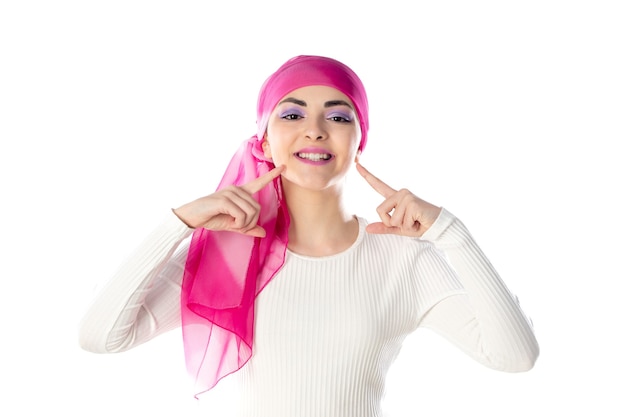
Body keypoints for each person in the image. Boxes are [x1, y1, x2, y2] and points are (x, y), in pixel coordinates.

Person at [78, 55, 539, 416]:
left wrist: (450, 233)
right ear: (262, 140)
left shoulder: (403, 259)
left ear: (360, 140)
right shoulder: (228, 257)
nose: (315, 131)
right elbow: (101, 337)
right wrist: (176, 224)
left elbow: (515, 356)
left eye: (338, 118)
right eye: (292, 115)